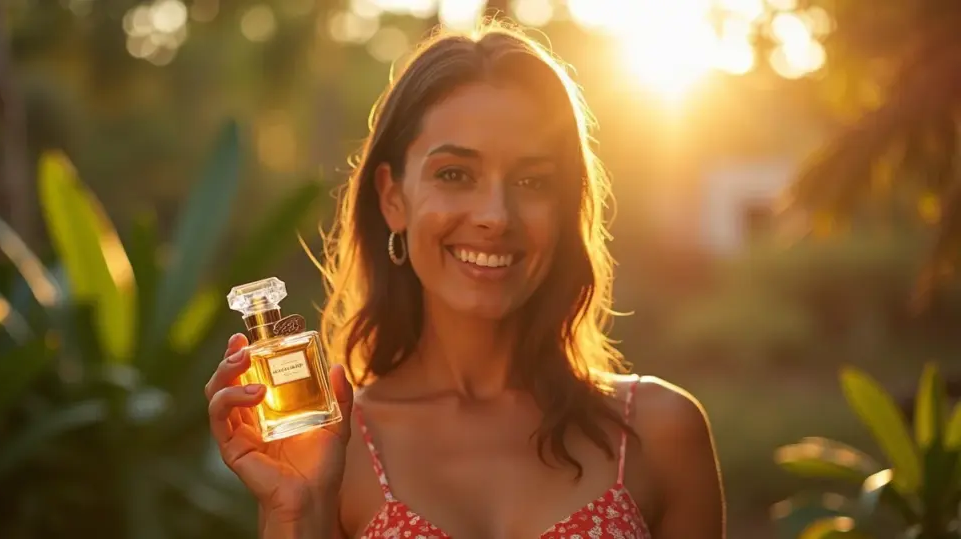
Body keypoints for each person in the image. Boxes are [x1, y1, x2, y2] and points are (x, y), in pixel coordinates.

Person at [205, 20, 725, 539]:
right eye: (454, 174)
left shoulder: (661, 432)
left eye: (532, 180)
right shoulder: (329, 448)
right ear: (392, 198)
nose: (496, 216)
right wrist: (296, 514)